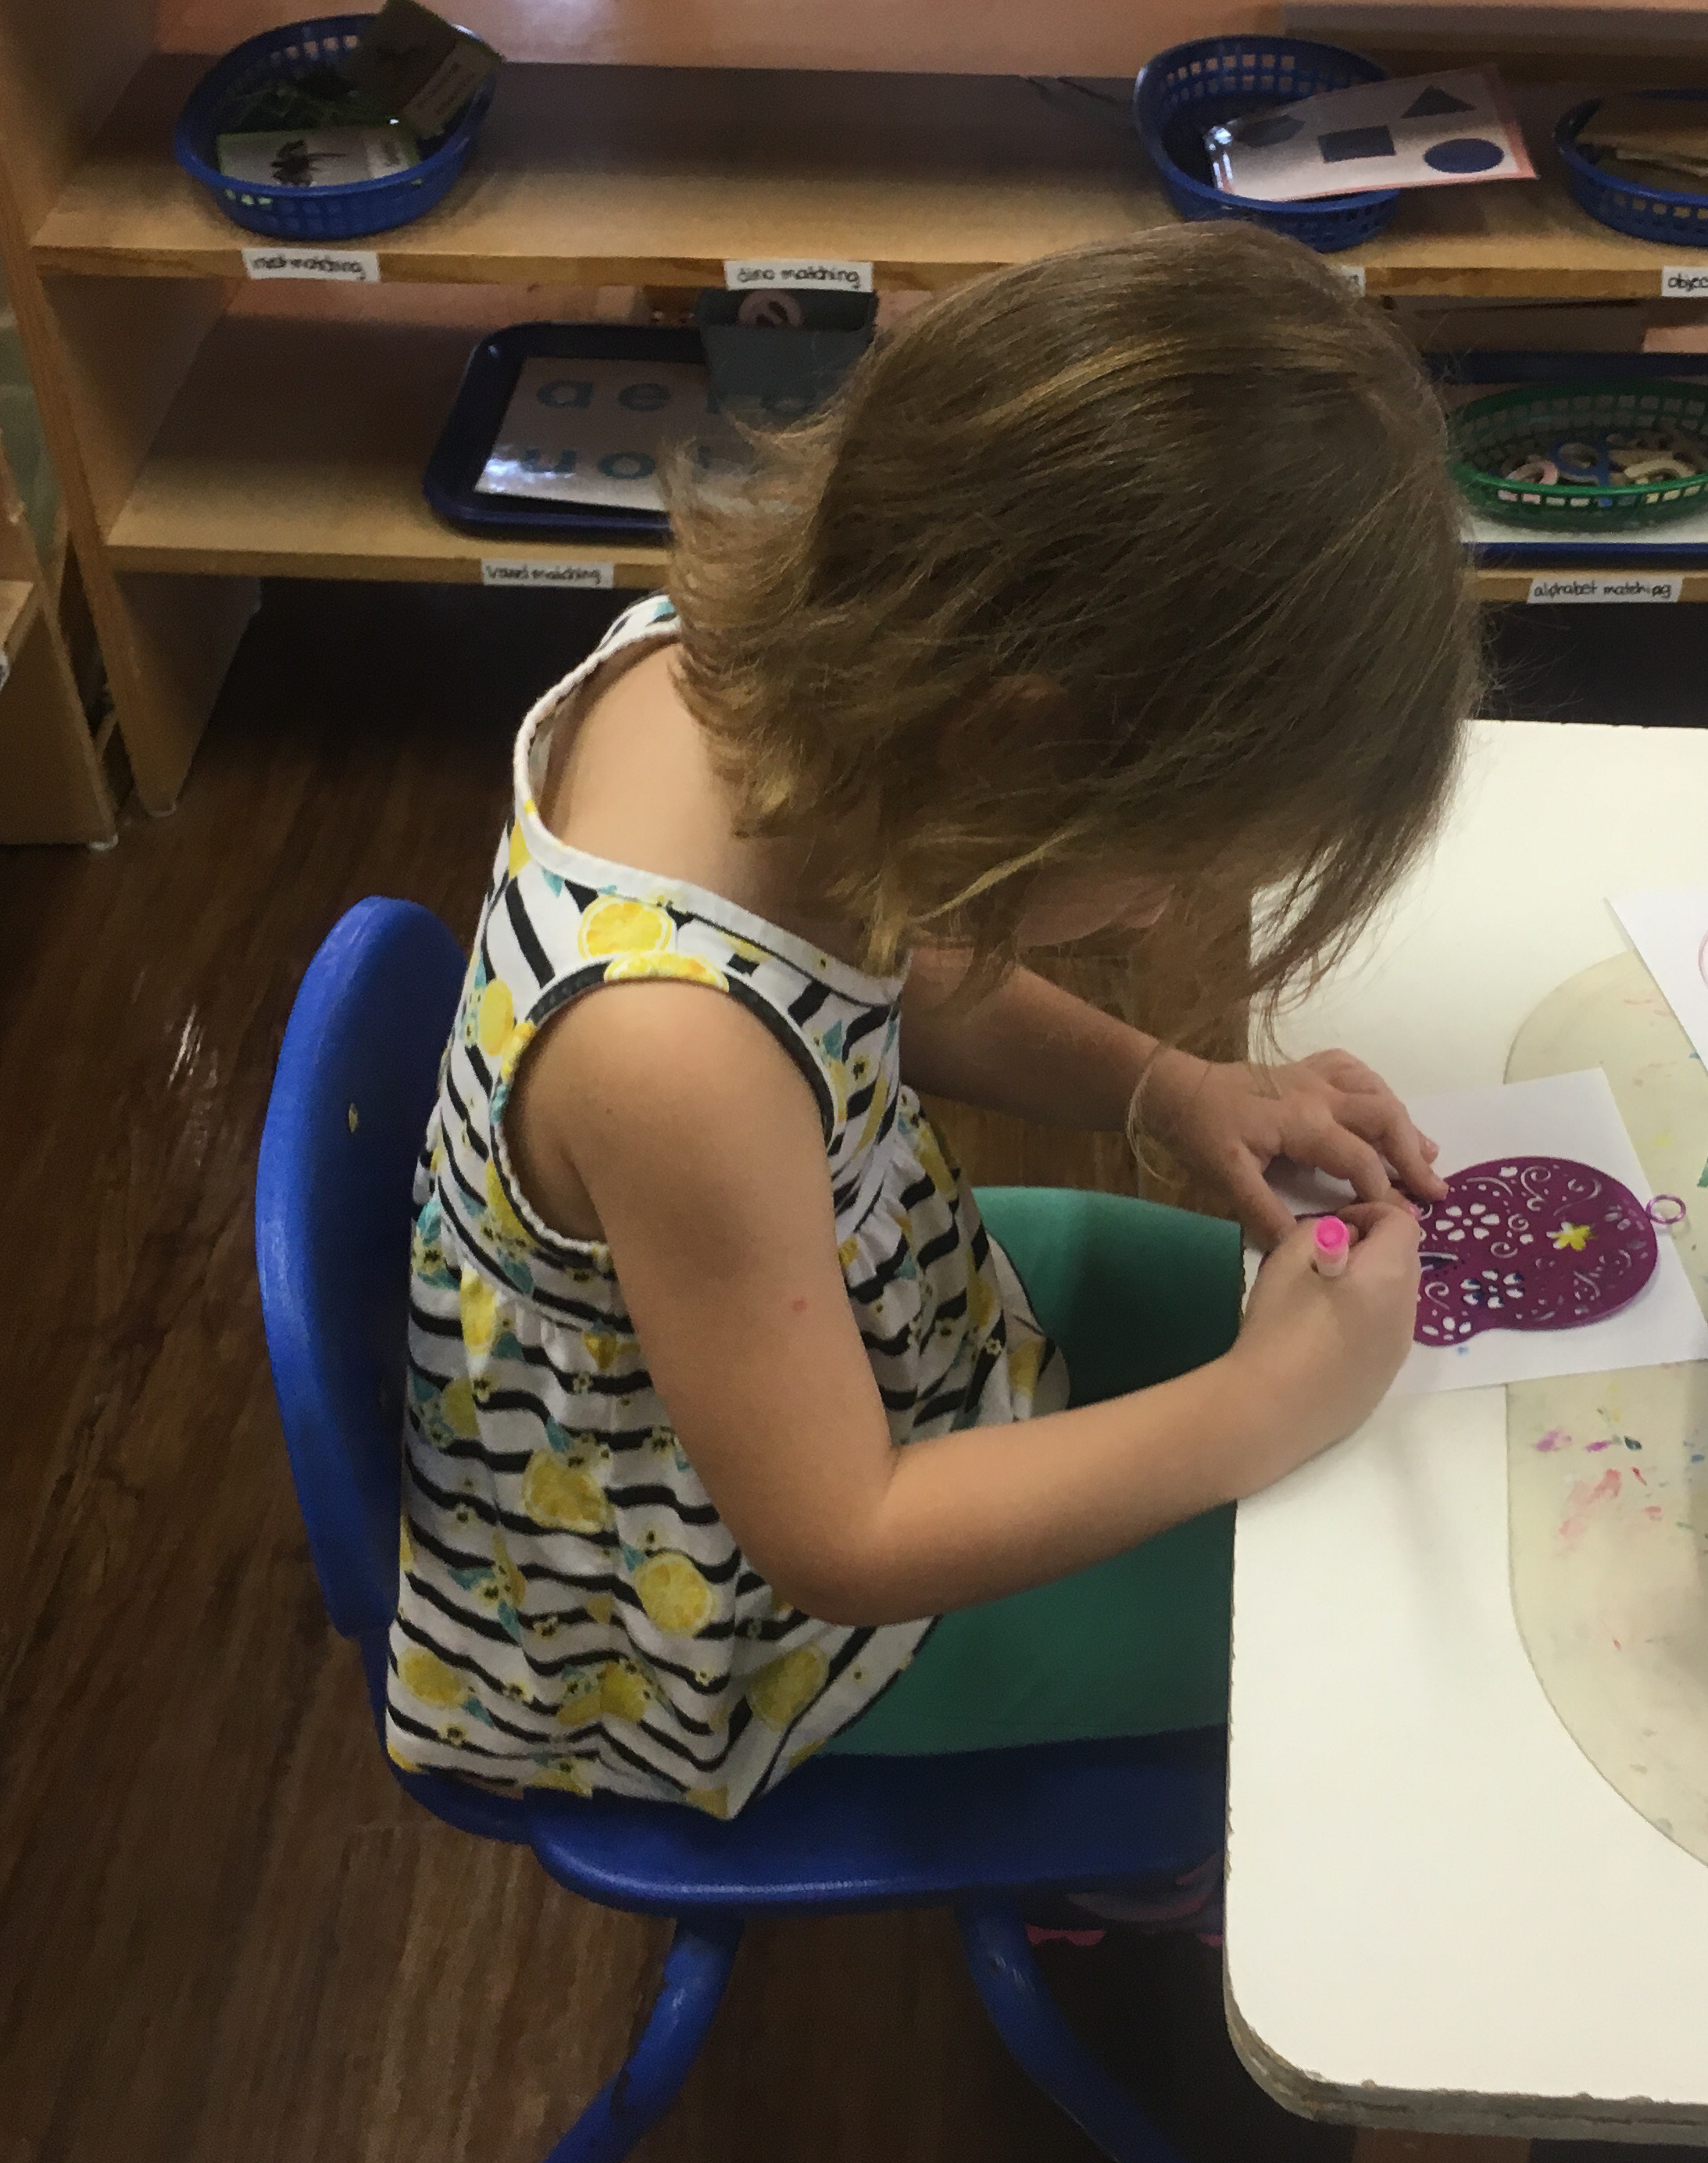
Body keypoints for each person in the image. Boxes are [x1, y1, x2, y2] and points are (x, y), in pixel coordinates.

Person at [386, 224, 1484, 1814]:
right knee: (1372, 1624)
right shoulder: (671, 1057)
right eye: (1172, 870)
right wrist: (1260, 1410)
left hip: (882, 1314)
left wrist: (1171, 1087)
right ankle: (1123, 1870)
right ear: (1010, 744)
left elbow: (861, 993)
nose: (1164, 919)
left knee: (1382, 1421)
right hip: (747, 1643)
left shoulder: (714, 681)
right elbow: (845, 1541)